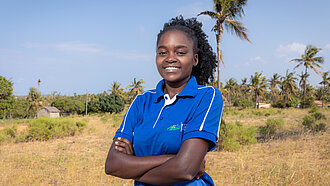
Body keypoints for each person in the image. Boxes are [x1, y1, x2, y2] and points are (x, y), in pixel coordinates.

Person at [105, 16, 223, 185]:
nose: (170, 58)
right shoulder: (141, 102)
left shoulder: (206, 97)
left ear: (195, 59)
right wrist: (173, 158)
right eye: (162, 52)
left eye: (180, 52)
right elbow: (112, 164)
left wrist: (130, 168)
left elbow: (185, 170)